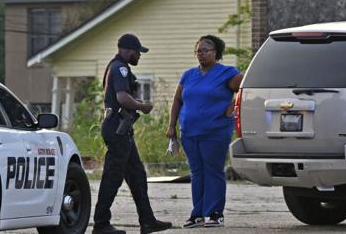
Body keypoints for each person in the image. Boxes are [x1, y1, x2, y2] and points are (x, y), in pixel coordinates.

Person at [93, 34, 172, 234]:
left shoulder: (120, 68)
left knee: (137, 175)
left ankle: (148, 221)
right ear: (128, 50)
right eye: (138, 52)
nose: (139, 56)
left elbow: (126, 93)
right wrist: (142, 106)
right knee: (113, 176)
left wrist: (136, 101)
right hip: (117, 129)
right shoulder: (119, 67)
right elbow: (122, 98)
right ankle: (101, 224)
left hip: (122, 129)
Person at [166, 35, 244, 228]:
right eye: (198, 50)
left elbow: (244, 88)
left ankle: (215, 213)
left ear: (215, 52)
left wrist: (231, 108)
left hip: (215, 132)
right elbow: (177, 100)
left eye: (205, 50)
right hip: (189, 132)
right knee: (197, 173)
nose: (201, 54)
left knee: (213, 171)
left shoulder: (227, 73)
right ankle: (197, 214)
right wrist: (171, 126)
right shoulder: (188, 75)